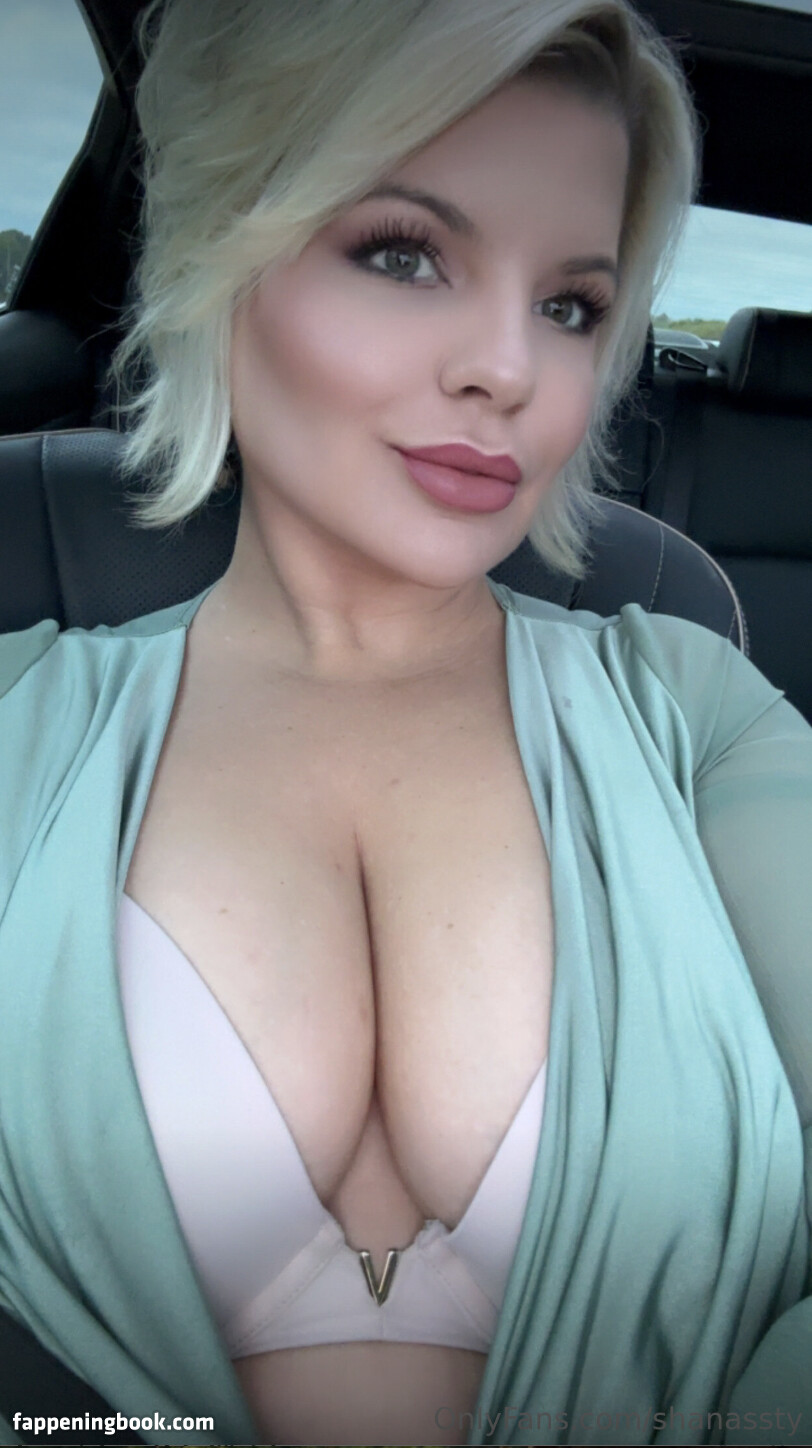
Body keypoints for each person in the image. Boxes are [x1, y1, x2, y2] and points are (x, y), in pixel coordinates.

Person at [0, 0, 810, 1444]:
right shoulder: (17, 716)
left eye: (571, 305)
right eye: (403, 253)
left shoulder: (697, 709)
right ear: (221, 255)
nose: (511, 368)